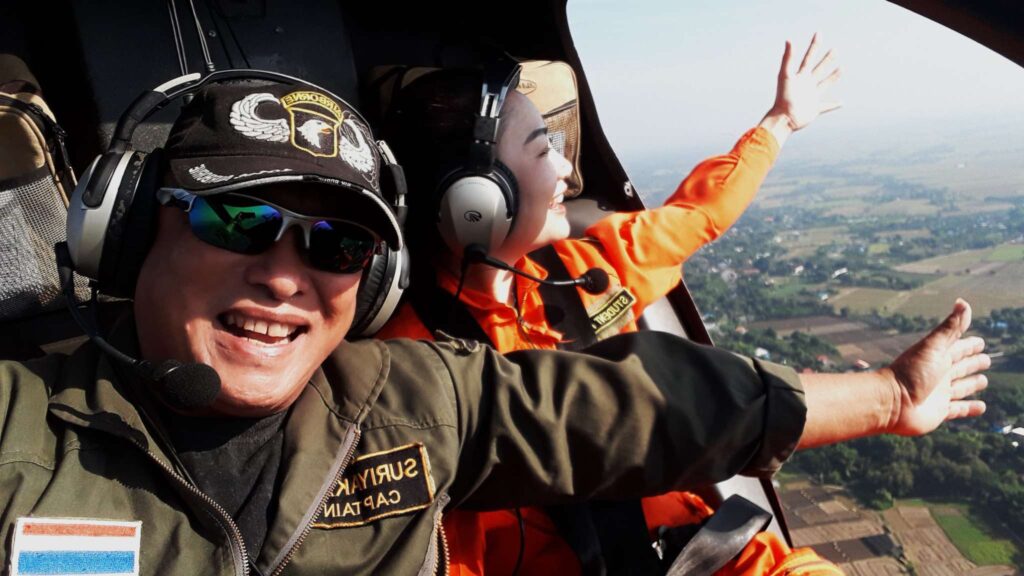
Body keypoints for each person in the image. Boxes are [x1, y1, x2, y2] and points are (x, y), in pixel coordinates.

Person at [0, 76, 988, 576]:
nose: (285, 274)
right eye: (237, 219)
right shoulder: (20, 434)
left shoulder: (400, 401)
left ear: (369, 271)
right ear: (125, 233)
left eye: (337, 246)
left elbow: (636, 403)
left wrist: (893, 396)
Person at [371, 37, 933, 575]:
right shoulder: (412, 371)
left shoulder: (581, 272)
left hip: (700, 553)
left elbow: (698, 216)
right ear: (476, 201)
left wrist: (780, 122)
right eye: (544, 149)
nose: (567, 168)